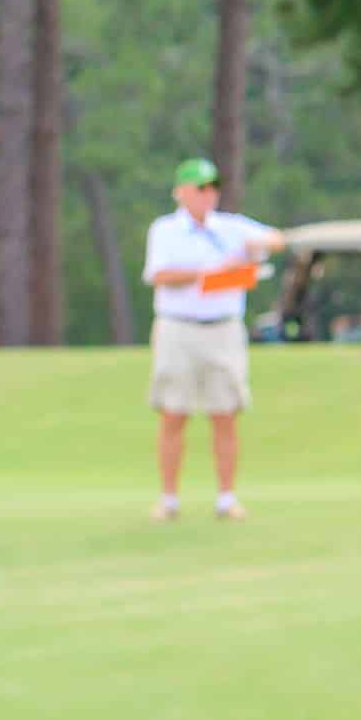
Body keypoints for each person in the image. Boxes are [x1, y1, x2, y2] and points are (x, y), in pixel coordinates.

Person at [141, 157, 284, 523]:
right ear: (182, 192)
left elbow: (276, 240)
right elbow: (160, 274)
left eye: (213, 187)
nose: (209, 194)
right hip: (179, 327)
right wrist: (212, 272)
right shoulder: (166, 229)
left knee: (225, 414)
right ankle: (169, 499)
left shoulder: (232, 228)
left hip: (223, 328)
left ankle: (226, 498)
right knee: (173, 413)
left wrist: (253, 250)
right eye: (200, 188)